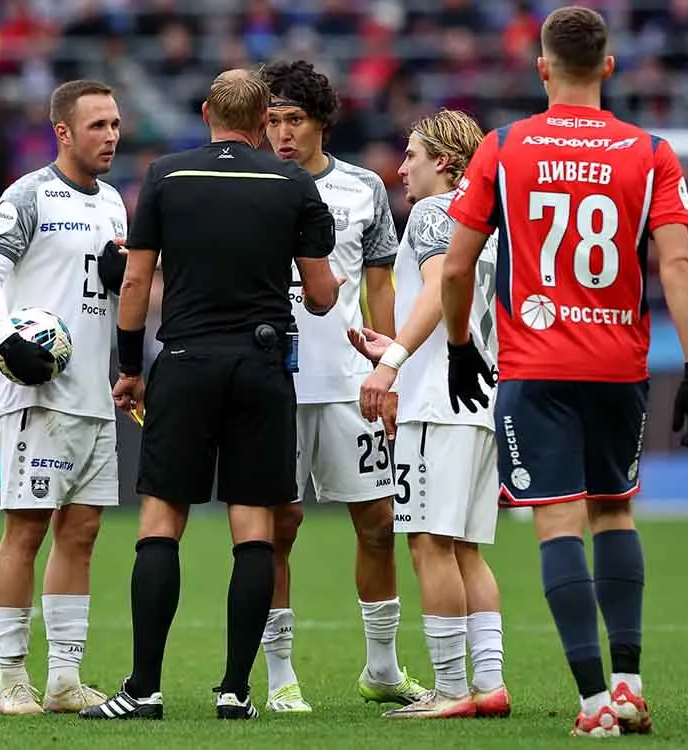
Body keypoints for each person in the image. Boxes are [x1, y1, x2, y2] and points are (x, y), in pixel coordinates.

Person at [440, 7, 688, 737]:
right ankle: (629, 688)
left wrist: (461, 344)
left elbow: (457, 266)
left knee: (557, 522)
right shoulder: (650, 152)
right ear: (609, 66)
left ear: (543, 68)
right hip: (618, 366)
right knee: (615, 510)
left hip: (535, 366)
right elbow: (679, 264)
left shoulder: (504, 147)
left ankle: (593, 706)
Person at [81, 68, 340, 722]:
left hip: (186, 362)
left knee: (160, 522)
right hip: (261, 367)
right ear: (262, 121)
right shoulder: (293, 182)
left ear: (206, 113)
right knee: (253, 528)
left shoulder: (166, 175)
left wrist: (131, 367)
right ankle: (235, 690)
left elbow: (134, 283)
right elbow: (320, 296)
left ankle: (143, 690)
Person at [258, 59, 427, 714]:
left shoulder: (363, 189)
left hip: (352, 385)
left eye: (294, 119)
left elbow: (380, 284)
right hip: (273, 384)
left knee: (379, 524)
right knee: (279, 527)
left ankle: (382, 669)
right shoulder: (253, 184)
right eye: (272, 120)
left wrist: (390, 368)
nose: (282, 133)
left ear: (322, 121)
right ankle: (280, 678)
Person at [0, 79, 129, 716]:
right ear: (63, 132)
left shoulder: (114, 203)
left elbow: (108, 295)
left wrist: (122, 282)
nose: (111, 136)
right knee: (26, 531)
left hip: (94, 394)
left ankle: (64, 678)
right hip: (37, 393)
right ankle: (12, 679)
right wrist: (6, 339)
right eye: (97, 126)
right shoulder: (29, 195)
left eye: (115, 125)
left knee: (82, 533)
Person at [354, 109, 510, 719]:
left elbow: (439, 286)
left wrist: (392, 362)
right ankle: (490, 684)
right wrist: (396, 348)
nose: (402, 168)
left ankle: (450, 690)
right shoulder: (493, 221)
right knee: (468, 549)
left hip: (438, 403)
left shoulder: (433, 213)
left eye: (413, 155)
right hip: (483, 398)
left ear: (443, 162)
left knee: (428, 543)